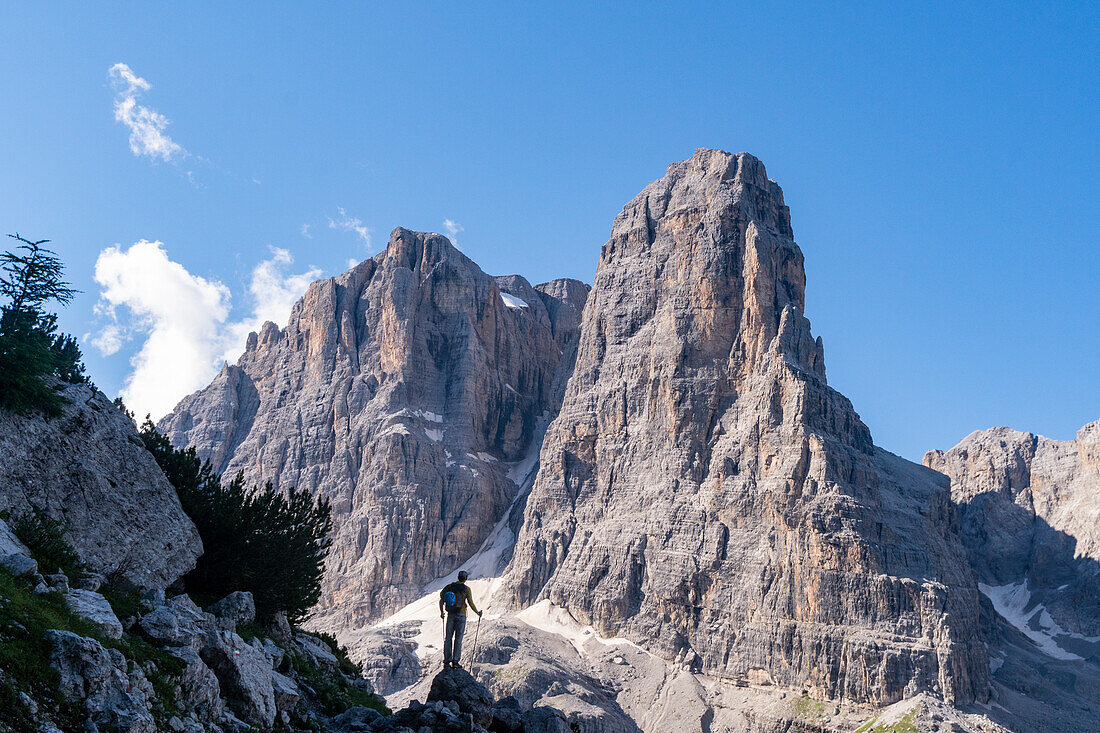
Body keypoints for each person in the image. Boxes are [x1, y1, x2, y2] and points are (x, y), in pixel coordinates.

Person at [439, 570, 482, 669]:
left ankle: (446, 661)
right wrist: (477, 612)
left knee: (448, 638)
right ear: (465, 579)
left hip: (450, 615)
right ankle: (455, 662)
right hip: (461, 615)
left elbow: (441, 600)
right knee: (458, 639)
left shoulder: (449, 587)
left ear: (458, 577)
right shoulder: (466, 589)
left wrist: (442, 613)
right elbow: (470, 603)